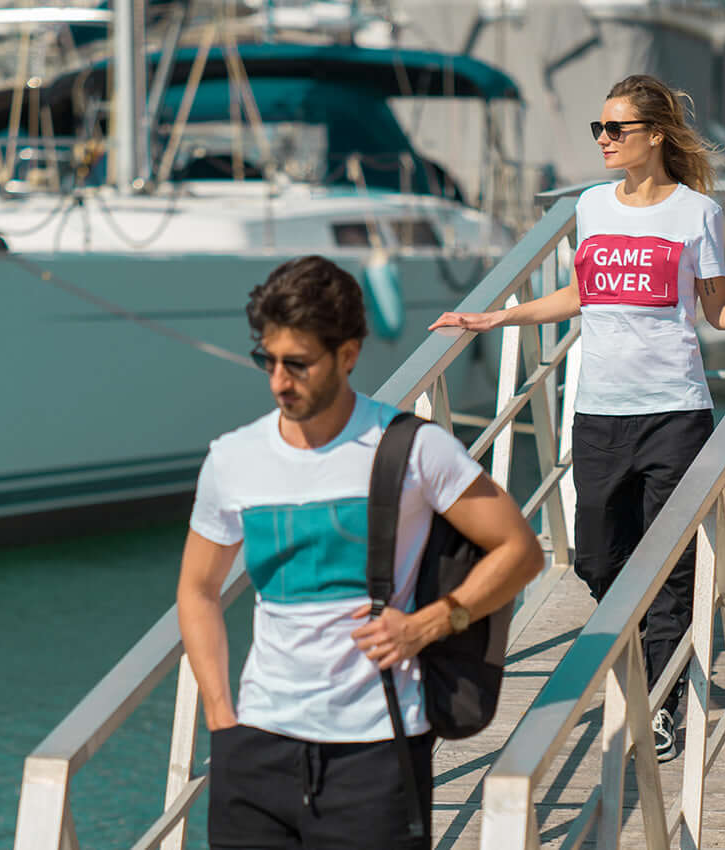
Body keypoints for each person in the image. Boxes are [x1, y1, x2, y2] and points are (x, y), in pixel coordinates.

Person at [429, 74, 725, 762]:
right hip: (600, 411)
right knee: (597, 559)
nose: (603, 140)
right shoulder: (592, 206)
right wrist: (499, 316)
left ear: (654, 136)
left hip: (675, 410)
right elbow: (582, 293)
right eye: (598, 130)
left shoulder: (695, 212)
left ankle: (661, 706)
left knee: (668, 565)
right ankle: (652, 660)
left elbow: (714, 307)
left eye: (616, 129)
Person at [177, 255, 543, 850]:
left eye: (297, 364)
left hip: (377, 750)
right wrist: (222, 718)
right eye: (267, 361)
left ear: (347, 356)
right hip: (255, 749)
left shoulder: (414, 449)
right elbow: (197, 589)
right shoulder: (233, 459)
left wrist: (429, 623)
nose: (278, 382)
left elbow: (519, 551)